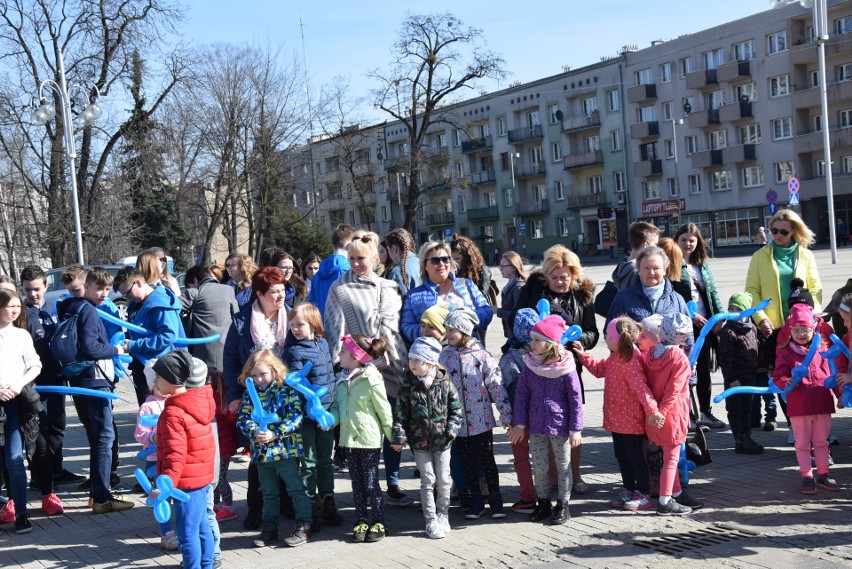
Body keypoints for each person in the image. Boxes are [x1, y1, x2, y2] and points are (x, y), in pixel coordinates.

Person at [323, 230, 410, 506]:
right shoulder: (339, 288)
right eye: (352, 258)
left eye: (361, 258)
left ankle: (393, 480)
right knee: (367, 425)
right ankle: (368, 488)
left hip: (391, 363)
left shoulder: (388, 288)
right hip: (358, 368)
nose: (356, 263)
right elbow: (334, 330)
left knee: (391, 420)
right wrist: (342, 365)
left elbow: (394, 329)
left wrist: (392, 359)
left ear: (374, 258)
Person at [516, 244, 598, 493]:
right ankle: (550, 478)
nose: (560, 282)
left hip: (569, 368)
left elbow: (592, 332)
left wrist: (580, 341)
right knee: (544, 424)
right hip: (537, 368)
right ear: (546, 275)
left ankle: (575, 475)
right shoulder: (532, 291)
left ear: (573, 275)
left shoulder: (582, 296)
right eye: (555, 277)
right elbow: (517, 323)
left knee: (572, 421)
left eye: (565, 277)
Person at [56, 268, 135, 515]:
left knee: (97, 435)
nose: (103, 294)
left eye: (107, 289)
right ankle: (102, 496)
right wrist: (116, 351)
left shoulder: (71, 307)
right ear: (87, 286)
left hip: (79, 379)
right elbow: (91, 348)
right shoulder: (88, 311)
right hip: (95, 380)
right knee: (104, 437)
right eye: (98, 288)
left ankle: (95, 493)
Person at [221, 266, 289, 530]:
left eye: (283, 290)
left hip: (285, 398)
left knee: (286, 452)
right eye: (275, 292)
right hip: (255, 399)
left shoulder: (292, 316)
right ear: (259, 294)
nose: (281, 296)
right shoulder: (241, 323)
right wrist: (234, 397)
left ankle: (285, 503)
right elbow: (230, 362)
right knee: (258, 454)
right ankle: (255, 508)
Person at [745, 209, 822, 438]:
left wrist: (812, 315)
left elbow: (815, 288)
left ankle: (817, 427)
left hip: (803, 326)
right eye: (774, 230)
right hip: (775, 327)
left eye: (783, 232)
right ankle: (793, 425)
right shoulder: (760, 256)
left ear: (793, 232)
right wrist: (761, 318)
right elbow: (751, 291)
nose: (777, 235)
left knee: (809, 374)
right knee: (783, 376)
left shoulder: (805, 256)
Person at [574, 316, 660, 511]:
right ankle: (629, 489)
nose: (605, 337)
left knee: (634, 457)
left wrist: (652, 411)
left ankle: (643, 493)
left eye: (607, 334)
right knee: (621, 456)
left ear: (619, 338)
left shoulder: (631, 360)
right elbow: (598, 370)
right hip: (616, 420)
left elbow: (642, 390)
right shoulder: (616, 356)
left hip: (631, 421)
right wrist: (583, 355)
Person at [439, 308, 512, 520]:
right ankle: (476, 501)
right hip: (458, 423)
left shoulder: (481, 356)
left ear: (465, 331)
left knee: (487, 461)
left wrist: (505, 415)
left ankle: (496, 500)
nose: (448, 333)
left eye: (453, 329)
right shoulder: (445, 357)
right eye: (447, 329)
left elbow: (496, 386)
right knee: (468, 463)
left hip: (482, 422)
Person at [508, 315, 581, 525]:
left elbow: (575, 399)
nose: (531, 344)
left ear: (550, 343)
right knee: (539, 466)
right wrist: (520, 423)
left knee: (562, 464)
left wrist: (576, 429)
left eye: (536, 340)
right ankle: (543, 503)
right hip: (536, 426)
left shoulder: (567, 368)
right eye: (531, 339)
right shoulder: (530, 366)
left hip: (561, 426)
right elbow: (522, 396)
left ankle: (563, 504)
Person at [237, 349, 312, 548]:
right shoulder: (250, 394)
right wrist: (254, 432)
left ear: (274, 370)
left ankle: (304, 526)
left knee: (295, 488)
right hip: (262, 452)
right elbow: (243, 418)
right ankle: (270, 529)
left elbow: (296, 416)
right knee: (268, 492)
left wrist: (277, 432)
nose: (259, 379)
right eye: (254, 375)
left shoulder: (286, 389)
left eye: (263, 374)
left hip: (286, 450)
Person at [149, 350, 216, 567]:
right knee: (202, 526)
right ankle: (207, 564)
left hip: (185, 483)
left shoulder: (173, 413)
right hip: (202, 477)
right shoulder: (197, 401)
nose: (156, 380)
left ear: (173, 380)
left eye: (159, 377)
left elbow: (175, 455)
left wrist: (166, 483)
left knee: (186, 534)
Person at [20, 266, 85, 489]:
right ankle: (40, 475)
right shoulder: (21, 313)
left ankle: (56, 470)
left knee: (58, 425)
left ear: (46, 287)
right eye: (28, 290)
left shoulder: (55, 307)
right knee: (38, 429)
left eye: (37, 289)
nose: (32, 294)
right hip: (34, 381)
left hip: (56, 377)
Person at [391, 336, 462, 539]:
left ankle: (443, 514)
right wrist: (399, 437)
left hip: (443, 442)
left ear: (430, 362)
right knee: (427, 480)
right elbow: (400, 415)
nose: (412, 364)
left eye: (417, 360)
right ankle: (430, 520)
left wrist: (451, 432)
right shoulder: (408, 386)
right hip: (420, 443)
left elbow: (456, 411)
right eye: (411, 359)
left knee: (444, 480)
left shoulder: (445, 383)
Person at [283, 303, 343, 532]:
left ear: (313, 324)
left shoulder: (323, 343)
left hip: (325, 415)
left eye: (300, 324)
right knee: (308, 463)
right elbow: (297, 383)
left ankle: (328, 501)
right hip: (305, 417)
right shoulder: (294, 351)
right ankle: (310, 507)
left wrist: (328, 409)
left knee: (325, 460)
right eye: (292, 325)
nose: (295, 329)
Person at [329, 334, 394, 543]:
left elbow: (384, 410)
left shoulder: (371, 378)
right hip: (349, 439)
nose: (339, 354)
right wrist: (330, 420)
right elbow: (337, 407)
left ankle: (378, 520)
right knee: (356, 484)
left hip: (368, 440)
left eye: (343, 352)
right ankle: (361, 519)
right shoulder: (342, 378)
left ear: (356, 357)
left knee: (370, 483)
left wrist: (394, 437)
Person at [638, 314, 703, 515]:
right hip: (670, 416)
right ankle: (665, 501)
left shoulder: (651, 354)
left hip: (654, 415)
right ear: (682, 337)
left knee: (667, 457)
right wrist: (662, 413)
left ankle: (675, 492)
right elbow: (674, 391)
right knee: (671, 459)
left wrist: (655, 413)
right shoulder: (680, 359)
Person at [773, 304, 837, 494]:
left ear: (813, 329)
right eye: (796, 330)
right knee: (801, 444)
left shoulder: (823, 351)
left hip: (822, 405)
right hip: (799, 407)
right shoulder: (786, 353)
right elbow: (778, 377)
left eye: (805, 330)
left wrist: (840, 392)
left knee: (822, 442)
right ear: (790, 330)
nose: (801, 334)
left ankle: (823, 474)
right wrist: (788, 382)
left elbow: (833, 375)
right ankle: (807, 475)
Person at [674, 223, 726, 430]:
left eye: (692, 240)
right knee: (686, 371)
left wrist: (719, 317)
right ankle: (688, 414)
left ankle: (705, 412)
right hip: (684, 327)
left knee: (704, 370)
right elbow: (673, 297)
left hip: (706, 325)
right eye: (683, 240)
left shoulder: (702, 264)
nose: (687, 244)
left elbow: (712, 292)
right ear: (676, 241)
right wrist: (691, 314)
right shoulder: (671, 265)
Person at [0, 289, 42, 534]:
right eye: (10, 306)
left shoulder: (21, 335)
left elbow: (35, 365)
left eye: (18, 306)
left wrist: (17, 385)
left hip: (16, 403)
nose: (16, 310)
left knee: (15, 459)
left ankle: (22, 514)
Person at [114, 266, 186, 405]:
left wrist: (133, 346)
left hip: (161, 370)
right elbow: (134, 331)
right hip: (143, 367)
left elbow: (168, 336)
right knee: (147, 411)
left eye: (128, 293)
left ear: (138, 283)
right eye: (124, 295)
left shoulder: (160, 303)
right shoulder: (135, 305)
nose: (127, 298)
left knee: (158, 415)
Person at [401, 240, 493, 345]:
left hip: (469, 352)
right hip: (435, 356)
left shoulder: (467, 285)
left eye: (445, 259)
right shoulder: (413, 296)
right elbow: (406, 327)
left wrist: (467, 319)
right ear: (425, 265)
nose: (441, 264)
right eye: (435, 260)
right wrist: (429, 329)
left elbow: (487, 311)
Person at [498, 308, 540, 514]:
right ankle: (546, 494)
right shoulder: (545, 353)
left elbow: (501, 389)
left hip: (517, 418)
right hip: (543, 416)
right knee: (544, 455)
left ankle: (527, 497)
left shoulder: (509, 359)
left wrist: (505, 416)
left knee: (521, 458)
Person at [134, 368, 177, 550]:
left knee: (178, 494)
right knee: (161, 497)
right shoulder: (148, 407)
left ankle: (182, 529)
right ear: (153, 385)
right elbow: (140, 433)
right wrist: (153, 437)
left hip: (174, 457)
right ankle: (166, 533)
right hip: (155, 459)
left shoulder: (176, 402)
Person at [717, 292, 763, 455]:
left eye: (738, 309)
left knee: (747, 408)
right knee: (735, 409)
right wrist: (732, 379)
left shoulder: (752, 328)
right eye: (731, 309)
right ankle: (740, 440)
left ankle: (747, 436)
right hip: (734, 381)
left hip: (749, 377)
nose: (734, 313)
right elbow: (725, 358)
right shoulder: (728, 332)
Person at [181, 265, 239, 372]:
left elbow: (172, 307)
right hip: (228, 348)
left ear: (194, 280)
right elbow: (237, 316)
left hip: (202, 354)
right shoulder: (228, 290)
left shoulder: (195, 292)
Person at [308, 224, 356, 317]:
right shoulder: (349, 270)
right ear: (350, 245)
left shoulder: (316, 276)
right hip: (345, 329)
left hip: (322, 328)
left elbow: (311, 306)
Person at [210, 368, 238, 523]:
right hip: (215, 445)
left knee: (220, 478)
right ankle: (215, 505)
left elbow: (230, 416)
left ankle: (228, 507)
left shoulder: (219, 398)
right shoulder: (214, 396)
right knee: (214, 478)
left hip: (222, 447)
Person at [612, 221, 661, 291]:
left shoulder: (623, 265)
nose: (657, 248)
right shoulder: (638, 271)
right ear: (646, 244)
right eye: (655, 244)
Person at [496, 251, 527, 340]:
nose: (500, 269)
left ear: (514, 267)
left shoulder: (518, 287)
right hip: (512, 334)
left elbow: (518, 315)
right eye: (500, 266)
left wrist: (497, 311)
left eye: (503, 266)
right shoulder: (510, 285)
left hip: (517, 335)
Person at [384, 228, 421, 295]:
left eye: (388, 250)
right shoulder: (422, 262)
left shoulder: (397, 272)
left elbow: (395, 303)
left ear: (393, 249)